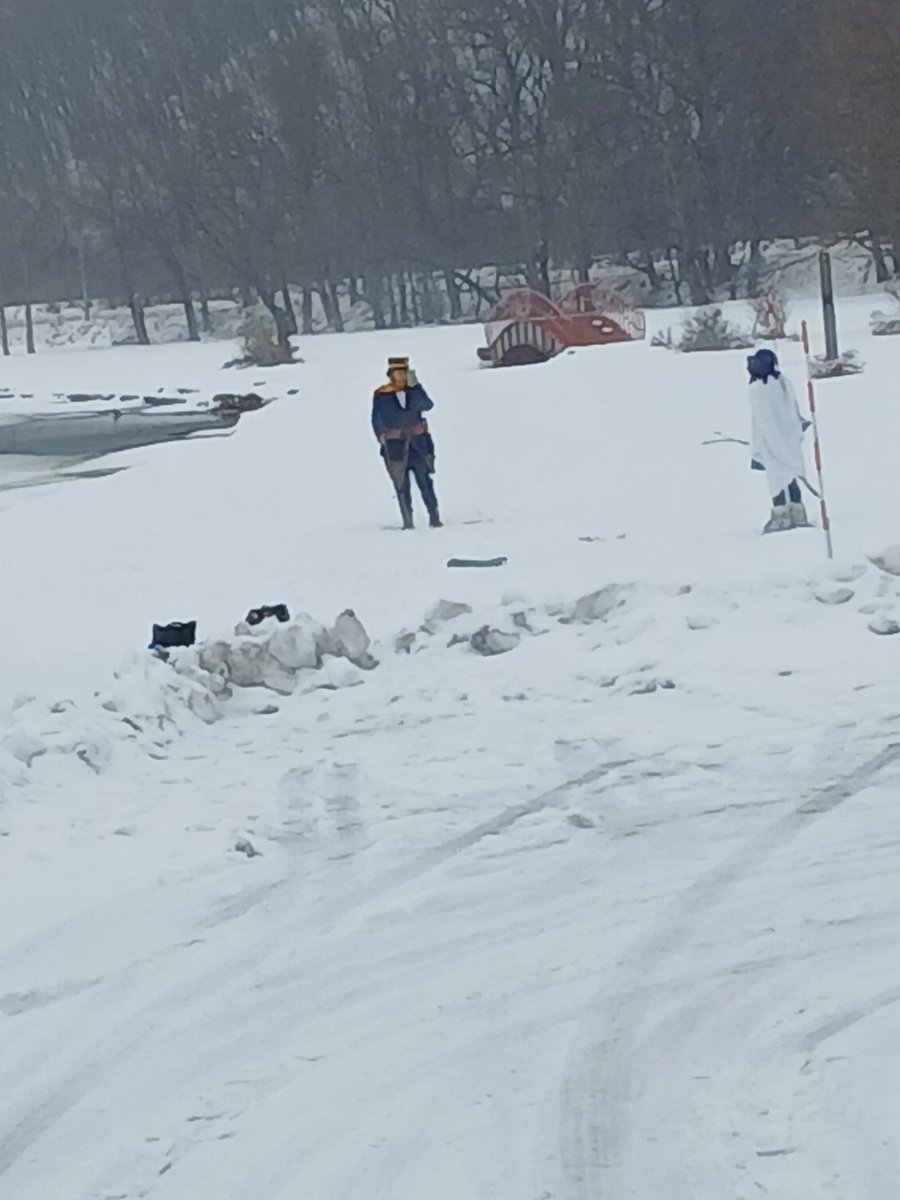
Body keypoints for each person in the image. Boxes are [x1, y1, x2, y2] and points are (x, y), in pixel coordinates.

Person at [371, 356, 442, 530]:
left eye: (404, 373)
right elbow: (376, 419)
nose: (401, 377)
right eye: (398, 374)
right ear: (391, 375)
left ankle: (434, 517)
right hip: (395, 446)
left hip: (418, 445)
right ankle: (407, 521)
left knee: (425, 482)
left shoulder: (415, 392)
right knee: (401, 485)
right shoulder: (381, 395)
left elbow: (428, 405)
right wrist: (381, 435)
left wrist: (417, 386)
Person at [747, 348, 811, 534]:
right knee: (789, 474)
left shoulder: (758, 388)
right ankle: (797, 510)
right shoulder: (783, 382)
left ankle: (781, 515)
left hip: (771, 441)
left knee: (776, 478)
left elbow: (763, 419)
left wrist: (763, 442)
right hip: (788, 438)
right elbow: (791, 410)